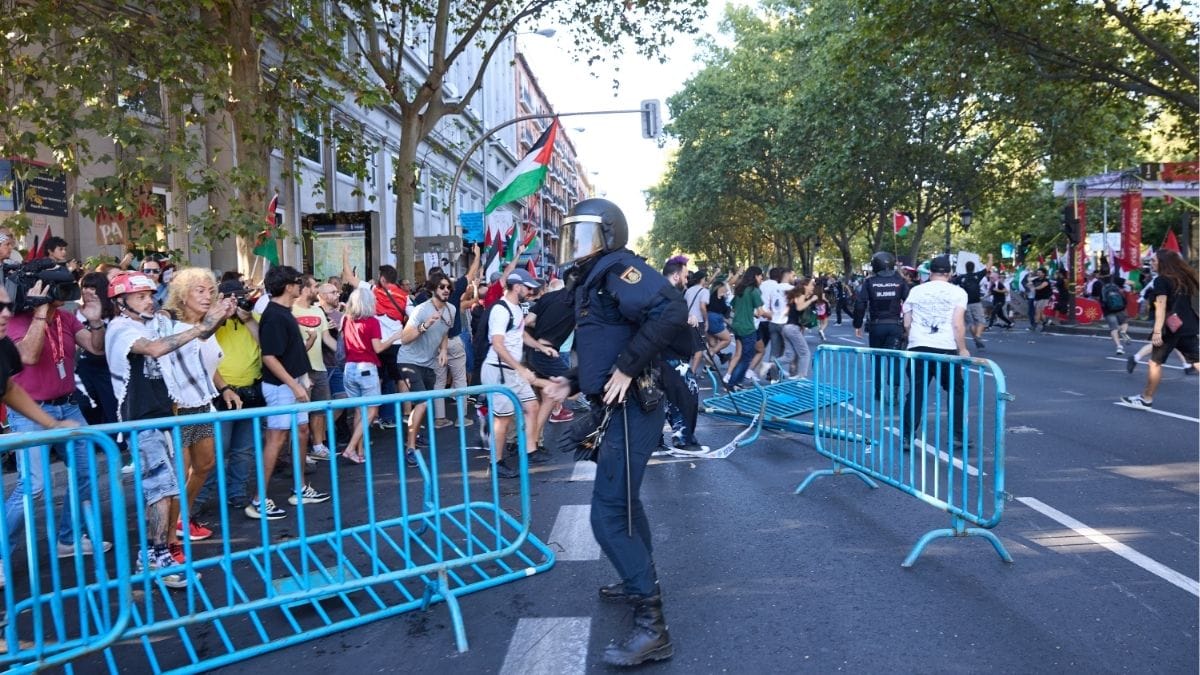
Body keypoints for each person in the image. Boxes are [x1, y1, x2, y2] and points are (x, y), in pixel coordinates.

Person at [545, 198, 690, 666]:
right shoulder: (595, 278)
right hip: (619, 407)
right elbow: (607, 342)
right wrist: (573, 381)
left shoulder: (618, 269)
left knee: (608, 514)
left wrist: (627, 367)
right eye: (572, 234)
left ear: (610, 234)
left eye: (586, 234)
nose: (576, 245)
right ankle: (637, 578)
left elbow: (670, 308)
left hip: (633, 408)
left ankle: (653, 627)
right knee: (623, 503)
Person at [107, 271, 226, 588]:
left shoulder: (153, 322)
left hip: (163, 417)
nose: (149, 301)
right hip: (141, 420)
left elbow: (192, 331)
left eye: (150, 295)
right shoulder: (120, 328)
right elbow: (155, 349)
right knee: (161, 491)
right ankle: (155, 555)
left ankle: (156, 553)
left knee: (168, 489)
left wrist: (214, 317)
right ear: (121, 303)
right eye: (140, 297)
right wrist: (201, 325)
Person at [3, 271, 111, 579]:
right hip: (29, 411)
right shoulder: (15, 320)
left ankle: (69, 539)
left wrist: (95, 321)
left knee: (86, 472)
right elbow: (27, 356)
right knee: (33, 486)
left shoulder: (66, 318)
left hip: (68, 405)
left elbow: (96, 347)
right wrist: (40, 312)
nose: (64, 292)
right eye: (57, 287)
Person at [157, 267, 237, 557]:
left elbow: (203, 364)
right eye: (199, 290)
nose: (207, 296)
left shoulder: (206, 325)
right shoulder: (167, 323)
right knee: (177, 477)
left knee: (205, 465)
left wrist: (224, 387)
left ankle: (182, 518)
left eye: (210, 291)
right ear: (182, 294)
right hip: (177, 409)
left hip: (202, 405)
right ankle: (168, 542)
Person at [251, 265, 329, 520]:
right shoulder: (274, 315)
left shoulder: (284, 312)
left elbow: (290, 351)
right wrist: (294, 385)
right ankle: (258, 499)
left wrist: (301, 379)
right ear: (288, 287)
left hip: (293, 383)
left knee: (301, 431)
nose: (301, 286)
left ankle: (300, 488)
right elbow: (269, 357)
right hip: (280, 387)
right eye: (298, 282)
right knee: (277, 438)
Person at [195, 278, 262, 513]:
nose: (238, 302)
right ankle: (198, 499)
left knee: (244, 450)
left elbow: (267, 345)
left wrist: (247, 318)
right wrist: (222, 315)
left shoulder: (251, 317)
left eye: (241, 297)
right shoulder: (211, 320)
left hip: (250, 391)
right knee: (215, 451)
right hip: (221, 393)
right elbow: (203, 347)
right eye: (232, 298)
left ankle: (237, 493)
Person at [479, 269, 555, 478]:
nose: (530, 291)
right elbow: (498, 345)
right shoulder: (500, 310)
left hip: (512, 370)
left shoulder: (516, 308)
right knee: (502, 420)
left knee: (532, 406)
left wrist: (541, 347)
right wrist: (521, 369)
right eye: (528, 288)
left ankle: (530, 451)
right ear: (517, 286)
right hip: (499, 372)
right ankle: (495, 463)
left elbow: (520, 335)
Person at [900, 255, 970, 451]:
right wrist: (963, 349)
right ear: (950, 273)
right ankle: (957, 435)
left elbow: (907, 322)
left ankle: (907, 436)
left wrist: (913, 338)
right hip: (945, 347)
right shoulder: (958, 292)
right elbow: (957, 324)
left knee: (916, 391)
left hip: (918, 347)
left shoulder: (916, 291)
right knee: (956, 390)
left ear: (930, 272)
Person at [393, 273, 457, 467]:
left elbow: (445, 331)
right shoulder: (421, 310)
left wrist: (443, 350)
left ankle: (415, 434)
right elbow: (404, 338)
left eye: (448, 287)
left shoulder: (451, 309)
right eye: (442, 287)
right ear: (433, 289)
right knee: (421, 403)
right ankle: (410, 447)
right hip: (408, 361)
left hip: (429, 363)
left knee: (423, 404)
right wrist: (424, 325)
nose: (446, 290)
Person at [1122, 250, 1199, 408]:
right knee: (1196, 361)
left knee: (1154, 363)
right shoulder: (1185, 278)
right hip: (1188, 326)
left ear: (1163, 262)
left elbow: (1161, 306)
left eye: (1154, 260)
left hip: (1170, 328)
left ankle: (1146, 398)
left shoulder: (1161, 280)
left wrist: (1157, 331)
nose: (1151, 263)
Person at [339, 286, 402, 463]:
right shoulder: (372, 322)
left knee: (359, 411)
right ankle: (352, 448)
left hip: (349, 367)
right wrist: (394, 337)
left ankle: (360, 451)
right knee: (372, 410)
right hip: (366, 367)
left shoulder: (346, 319)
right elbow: (378, 348)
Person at [433, 244, 480, 429]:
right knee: (460, 379)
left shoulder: (425, 299)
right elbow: (470, 274)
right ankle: (461, 418)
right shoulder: (453, 293)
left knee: (439, 381)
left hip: (435, 345)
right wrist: (477, 256)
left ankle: (439, 418)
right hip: (453, 341)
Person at [853, 251, 909, 399]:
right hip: (895, 325)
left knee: (877, 359)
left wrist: (857, 324)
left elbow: (860, 304)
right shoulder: (900, 281)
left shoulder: (870, 282)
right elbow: (910, 302)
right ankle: (894, 391)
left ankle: (878, 391)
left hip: (876, 326)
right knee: (895, 359)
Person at [293, 274, 335, 462]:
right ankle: (299, 452)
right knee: (301, 414)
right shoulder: (291, 310)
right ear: (305, 289)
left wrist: (345, 353)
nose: (317, 290)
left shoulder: (318, 311)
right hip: (301, 370)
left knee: (319, 410)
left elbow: (327, 338)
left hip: (320, 367)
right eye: (315, 286)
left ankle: (318, 446)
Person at [726, 266, 766, 388]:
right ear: (756, 276)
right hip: (748, 328)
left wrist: (747, 311)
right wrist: (770, 315)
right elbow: (760, 312)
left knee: (742, 355)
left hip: (736, 326)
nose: (761, 278)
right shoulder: (754, 291)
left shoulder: (740, 289)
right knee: (746, 358)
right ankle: (732, 383)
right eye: (761, 276)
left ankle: (736, 382)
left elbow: (733, 307)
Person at [780, 280, 817, 379]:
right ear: (805, 286)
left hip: (787, 327)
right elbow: (799, 308)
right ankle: (801, 377)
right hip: (792, 328)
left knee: (789, 356)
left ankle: (769, 365)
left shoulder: (797, 295)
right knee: (805, 353)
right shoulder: (800, 295)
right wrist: (811, 300)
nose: (813, 287)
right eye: (811, 285)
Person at [955, 258, 990, 349]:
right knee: (981, 321)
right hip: (976, 302)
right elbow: (988, 267)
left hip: (965, 303)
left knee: (971, 323)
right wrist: (990, 257)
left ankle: (975, 338)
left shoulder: (961, 277)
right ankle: (978, 336)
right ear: (973, 268)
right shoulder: (977, 276)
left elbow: (951, 283)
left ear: (965, 268)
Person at [1100, 274, 1132, 356]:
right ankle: (1123, 331)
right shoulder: (1115, 280)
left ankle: (1119, 346)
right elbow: (1131, 283)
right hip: (1120, 307)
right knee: (1124, 322)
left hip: (1108, 310)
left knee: (1113, 329)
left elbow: (1097, 297)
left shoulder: (1099, 283)